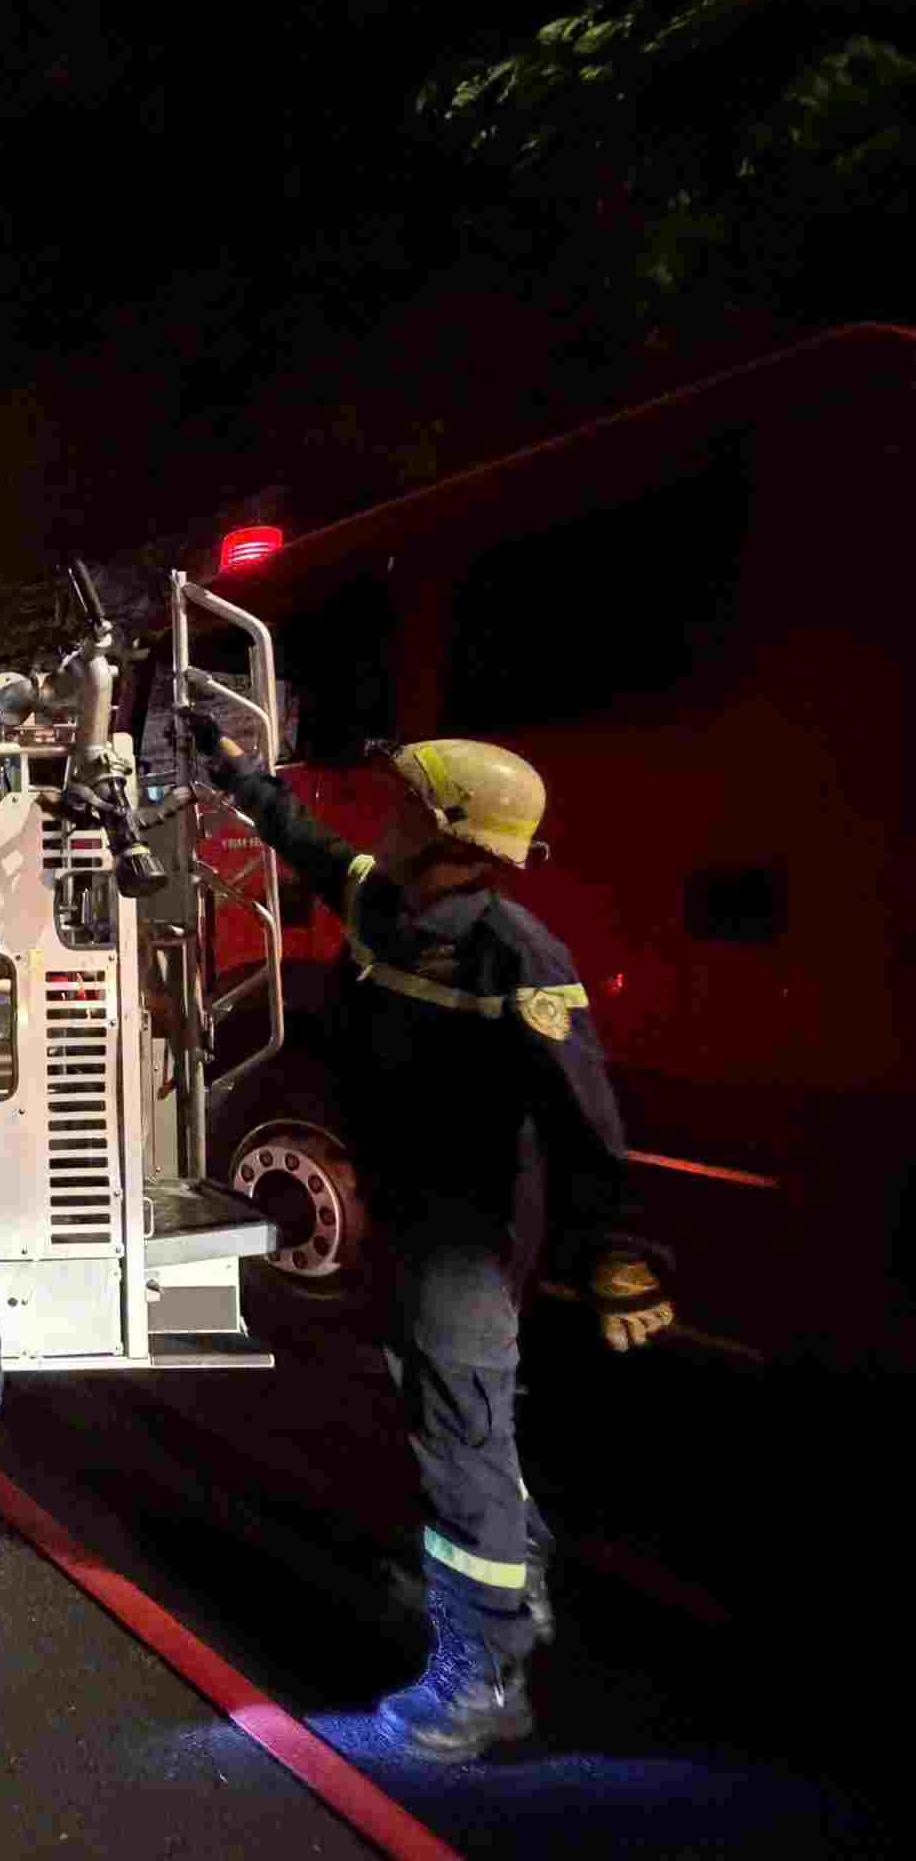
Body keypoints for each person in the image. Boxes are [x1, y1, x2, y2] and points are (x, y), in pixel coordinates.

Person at [181, 711, 675, 1761]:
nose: (389, 815)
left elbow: (584, 1120)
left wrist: (613, 1252)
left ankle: (481, 1681)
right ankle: (514, 1583)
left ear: (453, 836)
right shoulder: (386, 901)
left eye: (409, 805)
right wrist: (236, 773)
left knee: (459, 1440)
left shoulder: (514, 954)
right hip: (411, 1216)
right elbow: (307, 842)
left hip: (467, 1232)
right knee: (450, 1411)